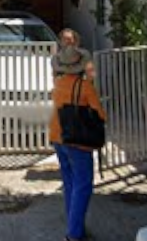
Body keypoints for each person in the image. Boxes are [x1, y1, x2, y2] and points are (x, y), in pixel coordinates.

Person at [50, 36, 106, 241]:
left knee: (70, 183)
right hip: (78, 141)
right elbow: (100, 115)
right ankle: (74, 234)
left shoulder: (58, 85)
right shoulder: (85, 87)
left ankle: (75, 226)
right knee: (83, 186)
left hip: (58, 137)